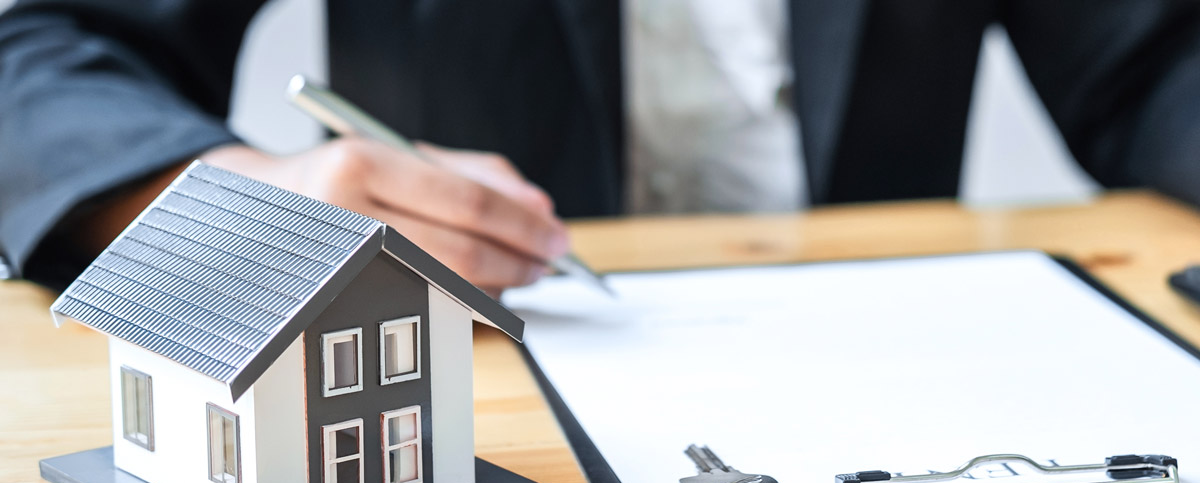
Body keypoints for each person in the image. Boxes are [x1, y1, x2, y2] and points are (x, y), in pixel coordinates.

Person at [1, 1, 1198, 294]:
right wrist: (248, 202)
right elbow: (38, 56)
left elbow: (1151, 63)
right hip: (486, 374)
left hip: (880, 388)